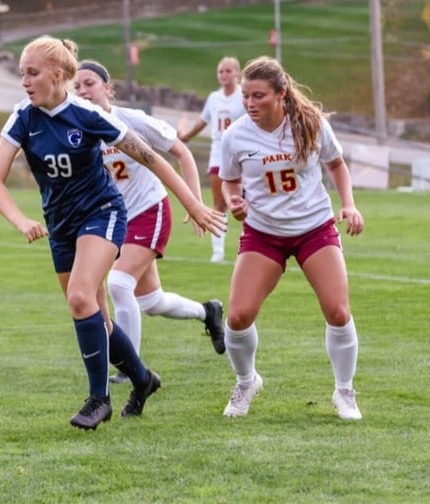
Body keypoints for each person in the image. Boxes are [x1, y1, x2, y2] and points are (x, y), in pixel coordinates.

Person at [0, 35, 226, 430]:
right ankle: (143, 378)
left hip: (102, 213)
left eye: (32, 73)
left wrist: (194, 205)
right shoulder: (22, 117)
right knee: (96, 317)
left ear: (58, 75)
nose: (24, 81)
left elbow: (153, 158)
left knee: (82, 297)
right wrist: (21, 220)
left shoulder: (88, 115)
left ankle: (100, 399)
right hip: (61, 224)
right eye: (21, 74)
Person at [219, 56, 364, 420]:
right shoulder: (235, 134)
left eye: (259, 96)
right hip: (263, 234)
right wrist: (235, 201)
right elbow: (229, 178)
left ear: (281, 93)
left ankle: (345, 392)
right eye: (246, 96)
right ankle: (246, 381)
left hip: (314, 229)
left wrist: (348, 204)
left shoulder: (309, 124)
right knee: (237, 316)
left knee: (337, 310)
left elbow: (336, 164)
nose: (250, 103)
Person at [73, 60, 226, 386]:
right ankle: (208, 312)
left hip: (147, 211)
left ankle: (130, 370)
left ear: (107, 87)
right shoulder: (78, 129)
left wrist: (194, 203)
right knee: (151, 302)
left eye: (89, 83)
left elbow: (181, 153)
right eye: (77, 87)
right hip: (111, 220)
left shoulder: (131, 121)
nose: (83, 91)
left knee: (117, 284)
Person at [179, 57, 245, 263]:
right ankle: (218, 251)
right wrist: (187, 136)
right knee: (220, 202)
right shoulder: (214, 98)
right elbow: (203, 120)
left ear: (237, 73)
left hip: (242, 154)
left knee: (247, 202)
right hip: (219, 154)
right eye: (220, 71)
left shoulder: (244, 95)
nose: (224, 75)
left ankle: (249, 246)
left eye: (228, 71)